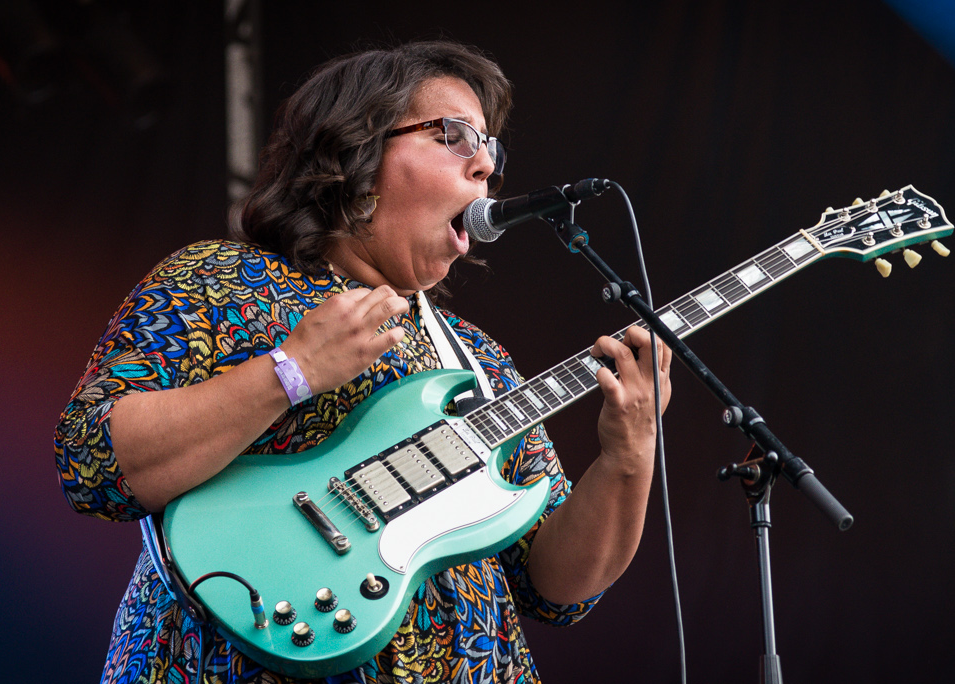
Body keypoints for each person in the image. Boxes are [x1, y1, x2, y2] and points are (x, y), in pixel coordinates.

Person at [54, 40, 671, 684]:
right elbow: (93, 460)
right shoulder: (223, 281)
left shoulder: (480, 361)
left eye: (491, 147)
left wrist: (629, 454)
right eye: (454, 135)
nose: (486, 164)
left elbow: (554, 587)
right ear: (358, 154)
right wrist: (291, 371)